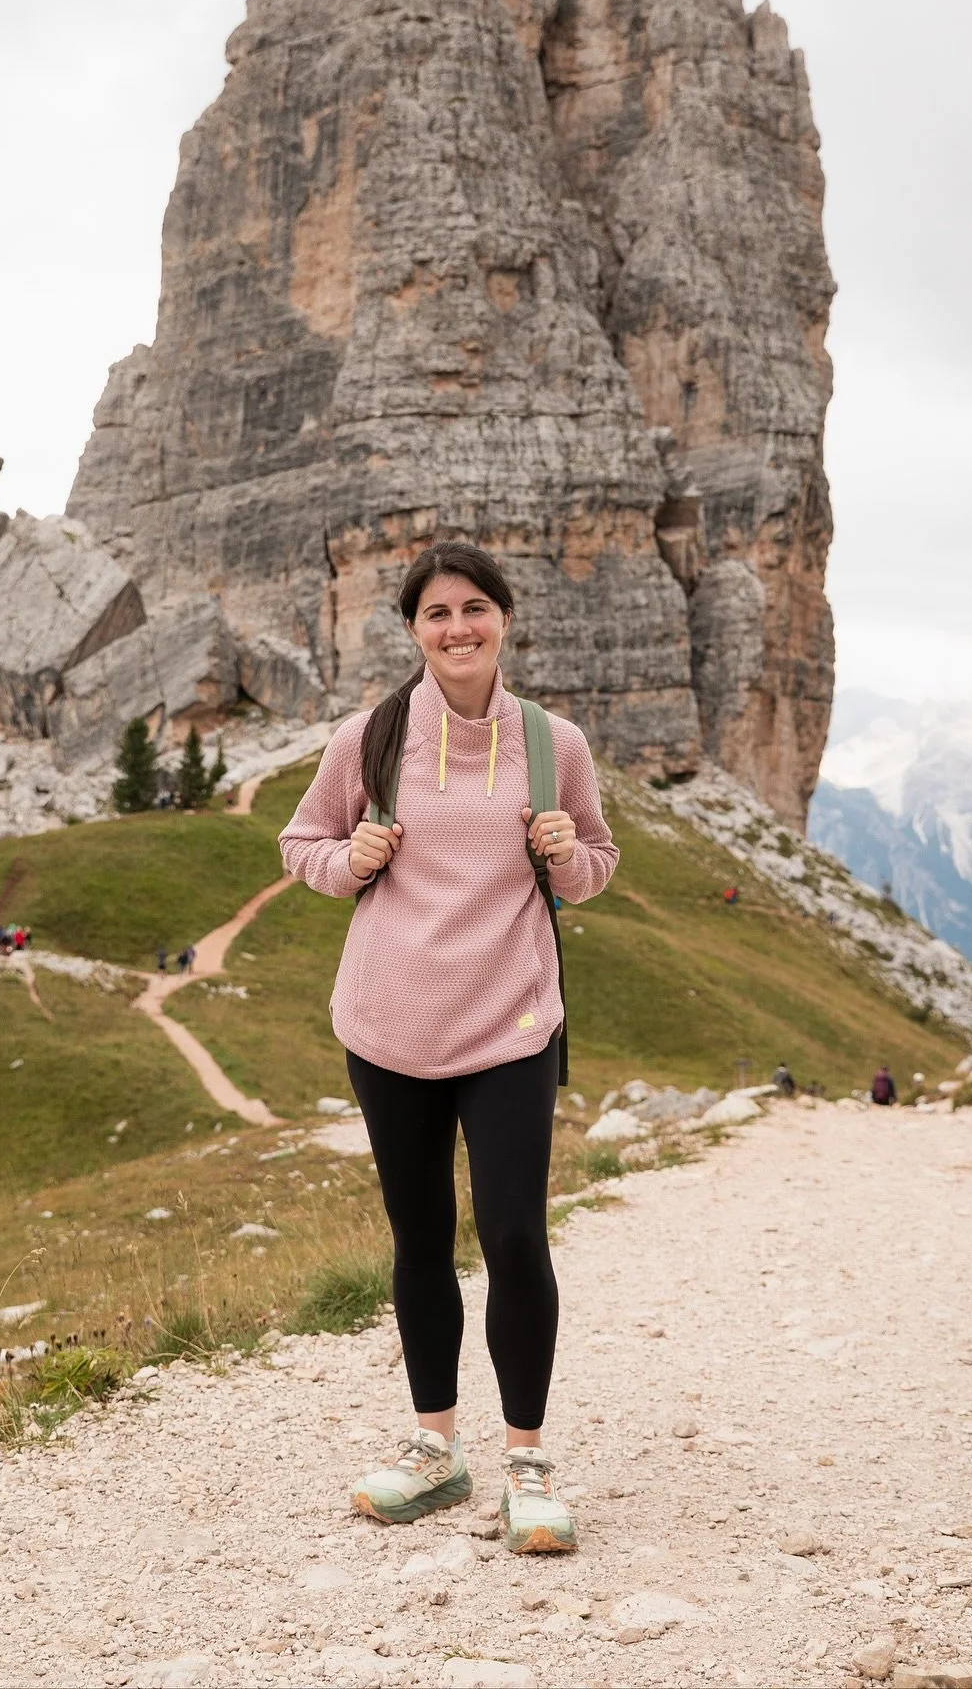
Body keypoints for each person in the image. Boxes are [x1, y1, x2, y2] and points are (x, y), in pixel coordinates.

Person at [280, 542, 618, 1555]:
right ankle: (436, 1449)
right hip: (389, 1023)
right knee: (420, 1237)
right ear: (414, 630)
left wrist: (567, 855)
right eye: (437, 614)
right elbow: (301, 845)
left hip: (511, 1019)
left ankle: (526, 1459)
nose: (458, 628)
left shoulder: (557, 744)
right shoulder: (371, 737)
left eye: (476, 609)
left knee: (515, 1236)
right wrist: (351, 859)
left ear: (504, 620)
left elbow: (597, 862)